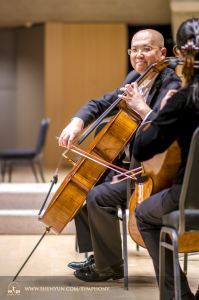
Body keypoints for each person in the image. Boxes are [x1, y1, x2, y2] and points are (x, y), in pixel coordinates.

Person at [58, 29, 181, 282]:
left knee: (98, 195)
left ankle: (110, 266)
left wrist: (142, 107)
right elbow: (100, 103)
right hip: (126, 167)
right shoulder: (135, 77)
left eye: (146, 49)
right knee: (83, 186)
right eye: (134, 50)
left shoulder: (172, 84)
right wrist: (77, 122)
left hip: (150, 173)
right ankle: (101, 256)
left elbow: (169, 130)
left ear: (162, 53)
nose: (139, 55)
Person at [132, 18, 199, 300]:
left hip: (188, 197)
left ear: (179, 54)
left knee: (143, 215)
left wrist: (162, 112)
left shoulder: (184, 99)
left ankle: (179, 295)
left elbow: (143, 149)